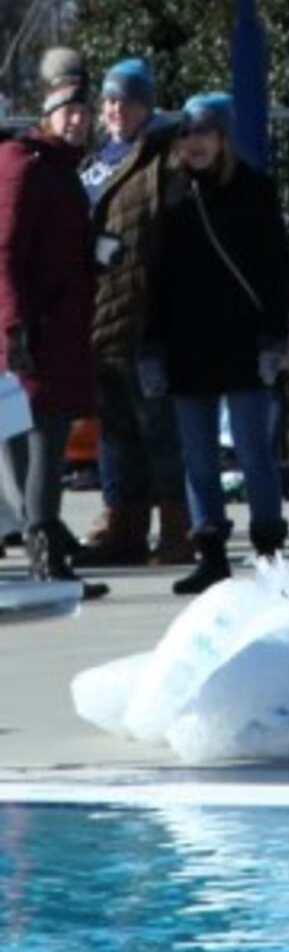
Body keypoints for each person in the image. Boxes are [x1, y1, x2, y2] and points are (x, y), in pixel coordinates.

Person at [140, 93, 289, 594]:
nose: (194, 143)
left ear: (224, 136)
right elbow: (155, 278)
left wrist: (275, 335)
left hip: (243, 340)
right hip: (187, 343)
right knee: (199, 458)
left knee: (253, 453)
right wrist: (153, 347)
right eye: (186, 134)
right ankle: (210, 552)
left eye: (204, 132)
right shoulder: (172, 195)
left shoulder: (255, 190)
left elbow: (275, 269)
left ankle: (269, 548)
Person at [75, 55, 190, 568]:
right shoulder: (96, 159)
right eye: (109, 99)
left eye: (126, 99)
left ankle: (175, 526)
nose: (115, 108)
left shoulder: (163, 158)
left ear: (145, 103)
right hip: (101, 314)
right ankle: (123, 522)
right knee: (116, 430)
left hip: (148, 316)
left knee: (159, 430)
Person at [0, 59, 108, 593]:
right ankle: (45, 556)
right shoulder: (26, 166)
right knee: (41, 441)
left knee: (40, 443)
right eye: (69, 112)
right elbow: (5, 250)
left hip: (54, 329)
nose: (79, 121)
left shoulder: (58, 169)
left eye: (85, 113)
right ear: (48, 116)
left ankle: (45, 546)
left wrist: (93, 256)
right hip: (32, 334)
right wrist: (13, 326)